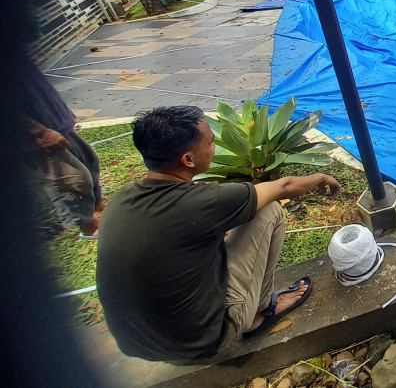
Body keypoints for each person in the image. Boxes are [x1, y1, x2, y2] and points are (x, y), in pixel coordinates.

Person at [96, 106, 340, 361]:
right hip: (205, 343)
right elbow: (283, 187)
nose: (214, 147)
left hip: (139, 345)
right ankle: (258, 313)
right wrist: (322, 175)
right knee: (269, 211)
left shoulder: (121, 198)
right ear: (188, 160)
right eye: (210, 143)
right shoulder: (202, 202)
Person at [20, 56, 101, 237]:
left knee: (89, 160)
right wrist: (39, 132)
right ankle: (87, 225)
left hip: (53, 120)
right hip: (34, 135)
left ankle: (95, 208)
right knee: (71, 178)